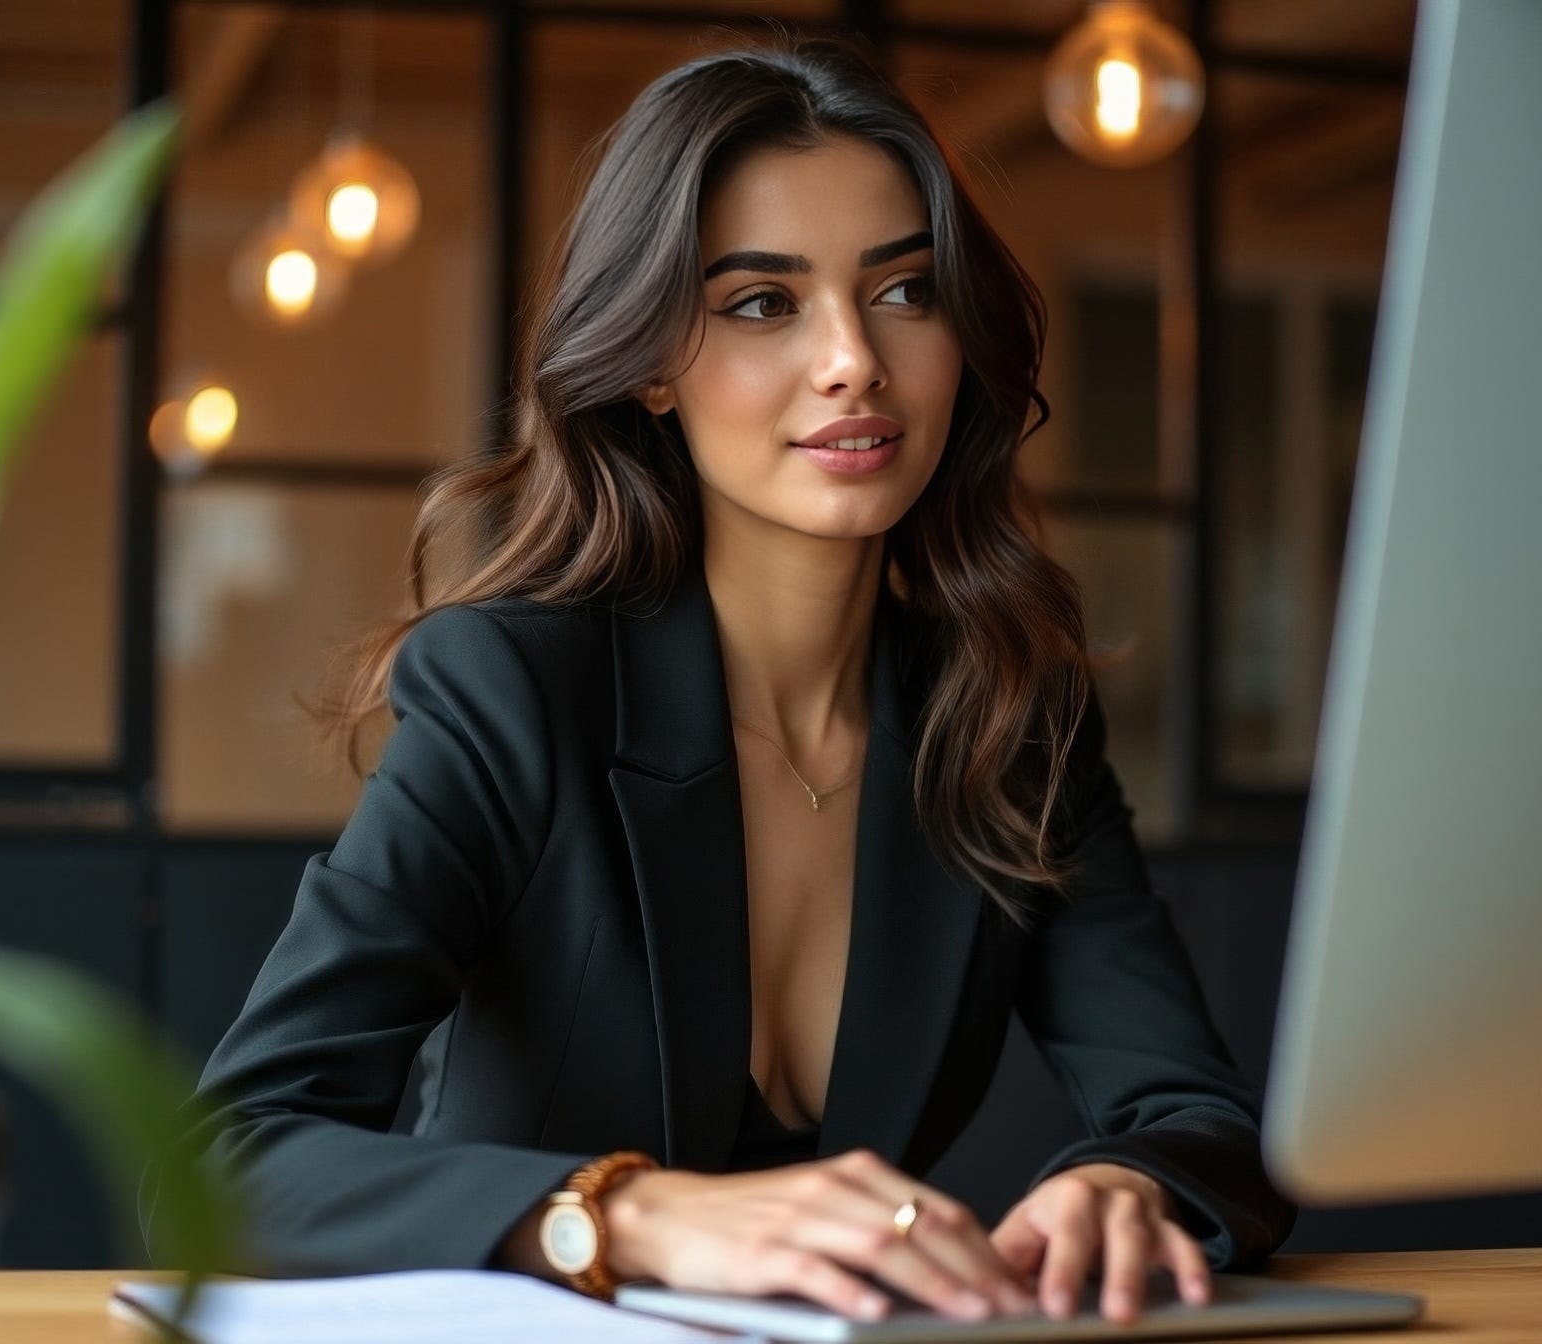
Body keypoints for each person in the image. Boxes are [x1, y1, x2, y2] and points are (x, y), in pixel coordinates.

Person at [146, 35, 1295, 1327]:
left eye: (906, 291)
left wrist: (1127, 1182)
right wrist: (625, 1213)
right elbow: (232, 1160)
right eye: (762, 303)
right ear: (647, 363)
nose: (854, 357)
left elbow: (1197, 1116)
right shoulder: (517, 692)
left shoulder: (1009, 715)